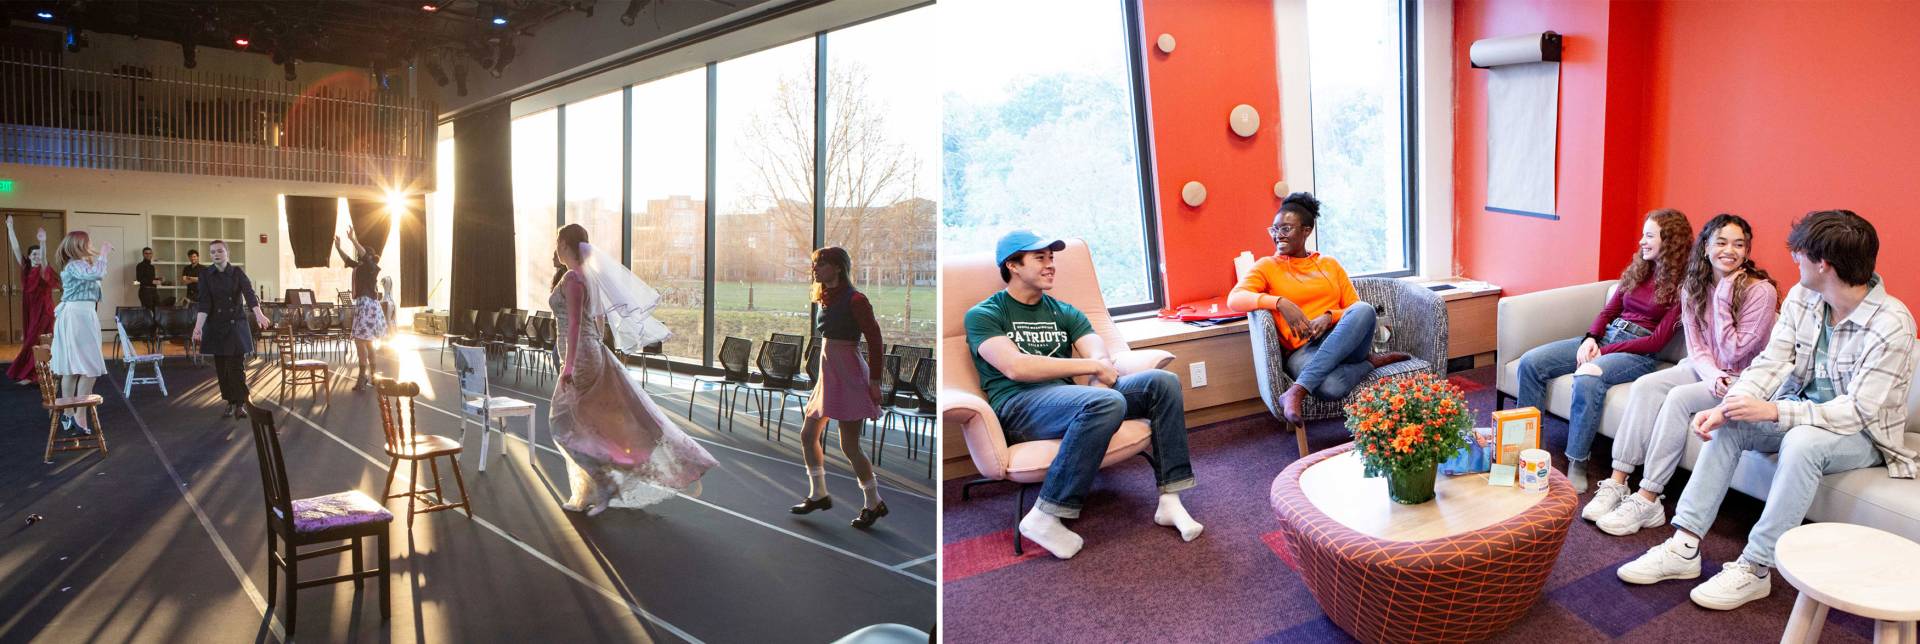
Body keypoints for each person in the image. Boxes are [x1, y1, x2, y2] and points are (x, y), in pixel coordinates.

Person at [1617, 210, 1915, 611]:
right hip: (1801, 408)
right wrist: (1733, 405)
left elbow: (1857, 412)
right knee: (1734, 423)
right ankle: (1684, 546)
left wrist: (1774, 413)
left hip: (1865, 435)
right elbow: (1772, 362)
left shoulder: (1891, 324)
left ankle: (1756, 567)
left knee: (1803, 442)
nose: (1795, 260)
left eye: (1801, 254)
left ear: (1823, 263)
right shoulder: (1804, 297)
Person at [966, 230, 1202, 560]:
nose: (1051, 265)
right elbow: (1015, 367)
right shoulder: (985, 314)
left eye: (1052, 258)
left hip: (1068, 400)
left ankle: (1170, 499)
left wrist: (1097, 383)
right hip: (1018, 407)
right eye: (1040, 258)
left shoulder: (1063, 311)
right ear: (1013, 265)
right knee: (1105, 401)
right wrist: (1094, 374)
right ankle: (1046, 514)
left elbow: (1099, 354)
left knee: (1160, 383)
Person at [1585, 214, 1778, 535]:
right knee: (1646, 386)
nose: (1729, 250)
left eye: (1738, 244)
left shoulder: (1760, 292)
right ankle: (1618, 481)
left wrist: (1723, 295)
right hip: (1708, 370)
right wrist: (1711, 372)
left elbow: (1735, 352)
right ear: (1705, 247)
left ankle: (1649, 497)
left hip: (1744, 378)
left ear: (1746, 252)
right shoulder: (1693, 286)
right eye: (1721, 242)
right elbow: (1697, 347)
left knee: (1676, 398)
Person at [1513, 208, 1692, 491]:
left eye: (1649, 236)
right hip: (1606, 338)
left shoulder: (1682, 286)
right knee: (1531, 363)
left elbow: (1656, 341)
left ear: (1669, 241)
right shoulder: (1638, 269)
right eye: (1642, 235)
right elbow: (1608, 311)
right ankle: (1528, 449)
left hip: (1636, 353)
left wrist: (1605, 352)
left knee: (1588, 375)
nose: (1641, 242)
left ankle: (1578, 460)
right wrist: (1590, 339)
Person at [548, 223, 715, 515]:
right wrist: (594, 347)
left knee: (563, 424)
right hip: (590, 350)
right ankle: (592, 489)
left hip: (581, 356)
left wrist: (570, 364)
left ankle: (602, 484)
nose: (557, 248)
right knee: (588, 425)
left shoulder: (573, 279)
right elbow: (597, 320)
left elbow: (575, 324)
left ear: (565, 244)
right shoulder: (588, 277)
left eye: (559, 242)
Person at [1226, 192, 1412, 427]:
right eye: (1274, 229)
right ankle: (1370, 363)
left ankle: (1296, 391)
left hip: (1344, 340)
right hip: (1303, 351)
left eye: (1286, 229)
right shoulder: (1266, 266)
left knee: (1365, 309)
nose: (1278, 236)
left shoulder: (1329, 264)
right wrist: (1279, 302)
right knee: (1331, 387)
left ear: (1306, 231)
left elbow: (1355, 308)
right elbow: (1235, 299)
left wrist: (1329, 317)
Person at [789, 247, 890, 529]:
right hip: (828, 374)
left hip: (850, 375)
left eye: (821, 264)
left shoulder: (856, 300)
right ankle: (818, 493)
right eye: (815, 264)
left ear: (837, 267)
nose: (815, 269)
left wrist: (874, 381)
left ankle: (874, 502)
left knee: (849, 445)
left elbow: (875, 340)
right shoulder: (825, 298)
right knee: (808, 435)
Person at [190, 240, 270, 419]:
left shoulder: (237, 272)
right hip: (216, 326)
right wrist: (198, 328)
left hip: (235, 325)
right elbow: (204, 303)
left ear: (227, 253)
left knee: (236, 367)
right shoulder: (205, 275)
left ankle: (241, 404)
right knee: (222, 369)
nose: (216, 254)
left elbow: (249, 294)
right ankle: (230, 401)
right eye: (212, 252)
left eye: (219, 251)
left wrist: (259, 314)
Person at [49, 232, 111, 432]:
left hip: (78, 314)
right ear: (80, 244)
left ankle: (68, 414)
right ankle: (79, 415)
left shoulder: (77, 264)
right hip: (79, 315)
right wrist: (103, 254)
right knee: (90, 366)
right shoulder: (76, 264)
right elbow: (97, 275)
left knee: (73, 369)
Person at [5, 217, 54, 386]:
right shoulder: (26, 267)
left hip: (44, 310)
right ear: (29, 256)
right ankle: (39, 372)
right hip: (30, 308)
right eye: (34, 254)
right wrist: (10, 227)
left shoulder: (43, 268)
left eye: (39, 254)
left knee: (38, 340)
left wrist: (43, 243)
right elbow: (16, 248)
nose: (37, 256)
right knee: (31, 339)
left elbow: (45, 257)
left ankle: (35, 373)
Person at [334, 230, 384, 390]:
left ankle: (363, 377)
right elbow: (347, 260)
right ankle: (374, 376)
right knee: (367, 342)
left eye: (362, 256)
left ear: (368, 257)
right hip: (365, 305)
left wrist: (353, 239)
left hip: (367, 305)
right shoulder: (361, 267)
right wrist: (338, 248)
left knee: (360, 341)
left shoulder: (372, 268)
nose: (359, 258)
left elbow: (363, 254)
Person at [135, 247, 160, 313]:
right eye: (146, 253)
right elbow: (139, 280)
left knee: (156, 311)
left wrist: (159, 279)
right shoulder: (140, 265)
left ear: (152, 254)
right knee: (148, 312)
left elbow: (151, 279)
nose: (148, 255)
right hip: (145, 291)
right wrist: (152, 281)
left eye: (150, 253)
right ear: (143, 254)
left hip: (153, 291)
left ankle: (154, 323)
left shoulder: (152, 267)